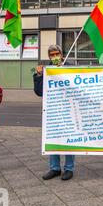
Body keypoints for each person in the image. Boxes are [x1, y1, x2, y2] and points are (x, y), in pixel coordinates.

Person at [34, 44, 76, 181]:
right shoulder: (45, 70)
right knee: (53, 138)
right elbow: (39, 92)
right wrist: (39, 75)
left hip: (69, 109)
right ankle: (55, 168)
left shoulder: (71, 68)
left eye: (56, 54)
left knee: (69, 139)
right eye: (51, 55)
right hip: (52, 110)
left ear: (62, 54)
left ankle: (69, 168)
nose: (55, 57)